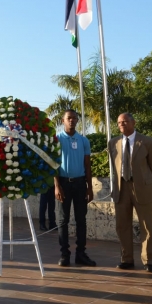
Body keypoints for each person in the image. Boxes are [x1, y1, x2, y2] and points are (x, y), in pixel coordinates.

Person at [108, 113, 152, 273]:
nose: (122, 124)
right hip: (121, 189)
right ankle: (126, 259)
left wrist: (143, 181)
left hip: (142, 188)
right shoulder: (113, 143)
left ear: (133, 122)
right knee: (122, 225)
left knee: (146, 226)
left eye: (125, 121)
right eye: (119, 122)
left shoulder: (148, 141)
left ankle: (149, 261)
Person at [54, 109, 96, 267]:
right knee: (63, 220)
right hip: (64, 183)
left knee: (81, 220)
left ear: (78, 121)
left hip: (79, 184)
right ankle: (64, 254)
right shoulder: (56, 139)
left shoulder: (83, 140)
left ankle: (81, 254)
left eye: (74, 118)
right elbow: (53, 165)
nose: (72, 120)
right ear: (63, 120)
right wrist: (57, 186)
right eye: (68, 118)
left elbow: (87, 164)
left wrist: (89, 187)